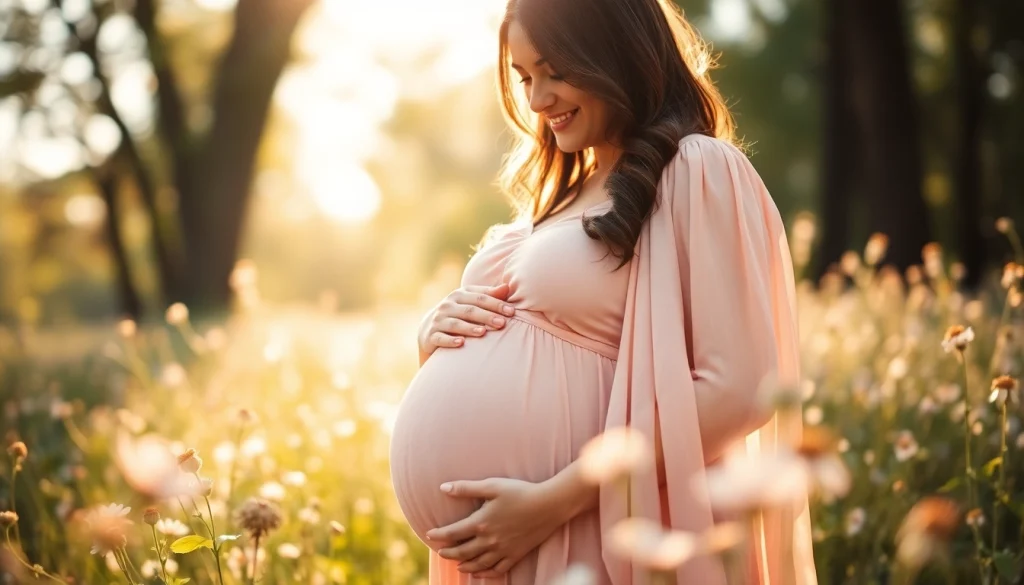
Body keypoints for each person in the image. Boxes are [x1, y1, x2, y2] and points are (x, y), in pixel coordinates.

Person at [388, 0, 816, 583]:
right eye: (524, 78)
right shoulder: (562, 196)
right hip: (503, 550)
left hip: (590, 527)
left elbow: (740, 386)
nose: (537, 101)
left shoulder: (696, 167)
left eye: (554, 72)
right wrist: (433, 340)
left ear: (613, 51)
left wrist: (554, 501)